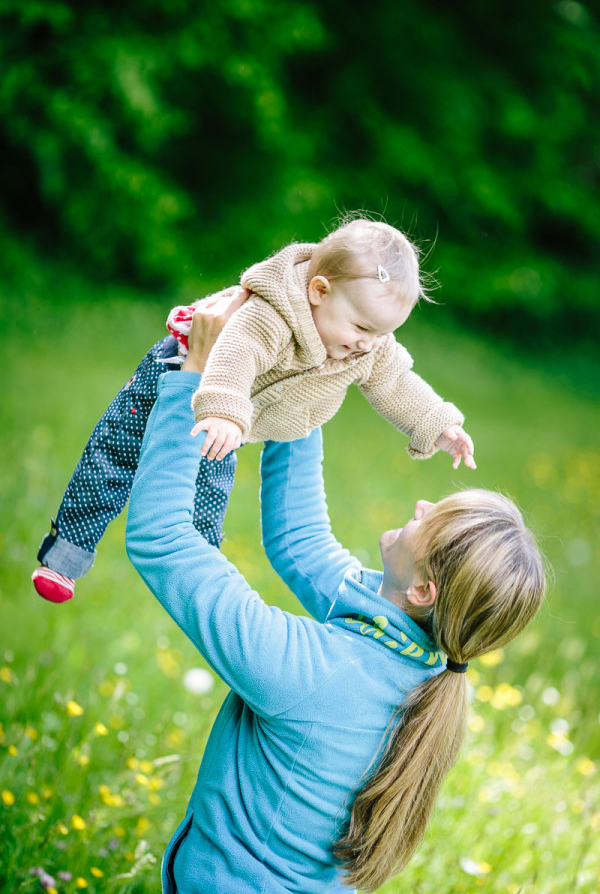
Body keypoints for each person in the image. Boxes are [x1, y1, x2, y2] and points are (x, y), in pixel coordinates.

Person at [124, 302, 545, 894]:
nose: (422, 506)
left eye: (436, 518)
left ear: (424, 590)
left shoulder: (314, 674)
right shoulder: (411, 653)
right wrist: (306, 364)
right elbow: (299, 540)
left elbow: (161, 540)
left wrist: (193, 379)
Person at [33, 217, 475, 605]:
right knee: (115, 457)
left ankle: (196, 585)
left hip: (233, 419)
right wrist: (225, 407)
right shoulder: (272, 313)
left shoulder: (366, 346)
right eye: (362, 328)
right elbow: (235, 352)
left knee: (207, 499)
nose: (369, 344)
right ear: (319, 291)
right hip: (187, 377)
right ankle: (66, 553)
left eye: (383, 333)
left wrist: (438, 424)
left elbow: (397, 382)